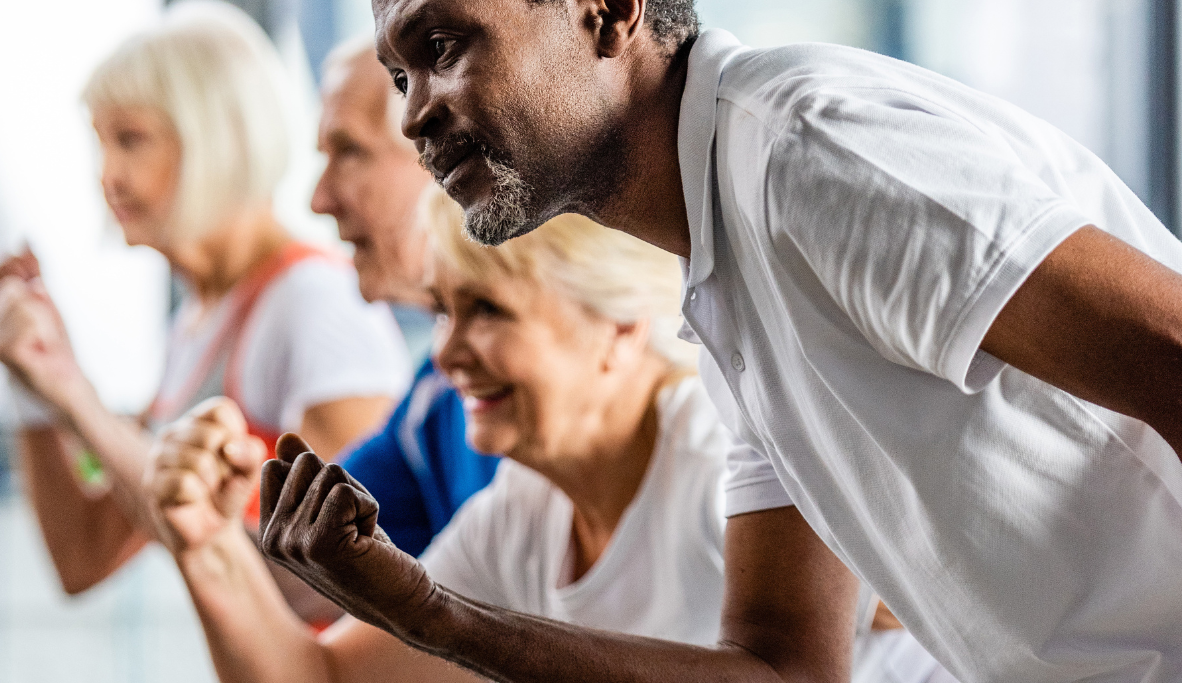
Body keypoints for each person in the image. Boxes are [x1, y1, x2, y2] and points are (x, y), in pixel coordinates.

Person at [254, 0, 1182, 683]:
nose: (414, 112)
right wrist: (429, 616)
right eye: (400, 76)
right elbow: (781, 671)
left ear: (609, 11)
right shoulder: (726, 282)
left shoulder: (810, 159)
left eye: (443, 46)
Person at [148, 188, 944, 683]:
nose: (449, 354)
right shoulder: (526, 514)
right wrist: (207, 541)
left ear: (622, 329)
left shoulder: (723, 463)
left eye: (488, 310)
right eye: (444, 312)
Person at [0, 0, 410, 597]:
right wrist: (35, 387)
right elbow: (84, 556)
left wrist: (71, 391)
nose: (107, 176)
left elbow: (346, 585)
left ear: (216, 140)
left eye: (132, 140)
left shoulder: (316, 302)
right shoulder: (197, 325)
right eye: (102, 143)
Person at [311, 38, 500, 557]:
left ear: (448, 159)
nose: (318, 199)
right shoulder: (433, 392)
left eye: (349, 151)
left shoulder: (535, 376)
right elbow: (310, 559)